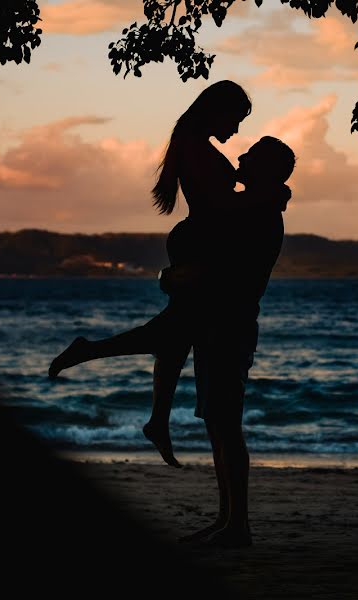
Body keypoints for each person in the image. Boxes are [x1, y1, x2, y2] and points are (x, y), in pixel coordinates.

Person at [47, 81, 288, 469]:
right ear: (216, 110)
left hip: (196, 241)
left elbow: (227, 195)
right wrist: (271, 195)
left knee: (176, 332)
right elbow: (224, 205)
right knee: (170, 331)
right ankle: (91, 352)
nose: (237, 130)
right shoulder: (197, 150)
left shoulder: (194, 145)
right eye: (236, 119)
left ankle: (157, 418)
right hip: (199, 244)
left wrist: (267, 189)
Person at [180, 135, 295, 548]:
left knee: (226, 423)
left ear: (263, 169)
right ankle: (227, 518)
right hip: (220, 322)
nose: (240, 156)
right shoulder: (255, 207)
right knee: (217, 422)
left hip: (231, 324)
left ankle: (237, 524)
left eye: (250, 155)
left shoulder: (260, 213)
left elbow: (228, 266)